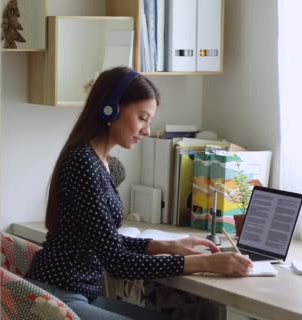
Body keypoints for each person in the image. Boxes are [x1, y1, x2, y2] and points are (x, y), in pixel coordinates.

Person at [25, 67, 252, 320]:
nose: (146, 130)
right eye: (143, 117)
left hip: (78, 294)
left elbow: (106, 242)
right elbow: (118, 262)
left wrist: (167, 246)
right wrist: (207, 263)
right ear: (110, 108)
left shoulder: (103, 163)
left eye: (149, 121)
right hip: (57, 300)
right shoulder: (83, 163)